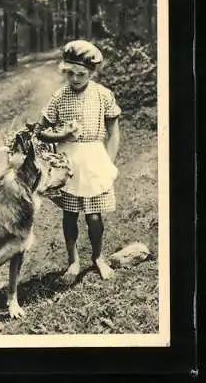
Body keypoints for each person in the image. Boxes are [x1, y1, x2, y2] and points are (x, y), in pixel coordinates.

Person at [37, 40, 121, 284]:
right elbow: (40, 131)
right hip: (68, 163)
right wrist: (61, 135)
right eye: (70, 73)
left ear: (91, 72)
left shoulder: (103, 95)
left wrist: (110, 162)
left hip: (94, 160)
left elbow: (113, 131)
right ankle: (73, 261)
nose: (74, 79)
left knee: (94, 216)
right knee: (70, 214)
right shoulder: (59, 98)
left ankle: (98, 257)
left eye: (81, 74)